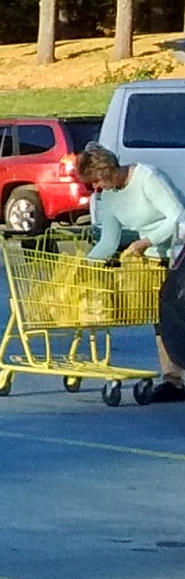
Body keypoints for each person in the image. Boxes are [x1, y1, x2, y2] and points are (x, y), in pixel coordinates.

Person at [77, 144, 185, 401]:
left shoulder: (148, 178)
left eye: (96, 181)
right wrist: (84, 266)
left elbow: (178, 215)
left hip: (179, 251)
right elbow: (109, 241)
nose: (96, 188)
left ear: (107, 171)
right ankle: (173, 379)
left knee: (176, 313)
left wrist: (145, 241)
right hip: (153, 260)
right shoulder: (109, 196)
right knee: (160, 317)